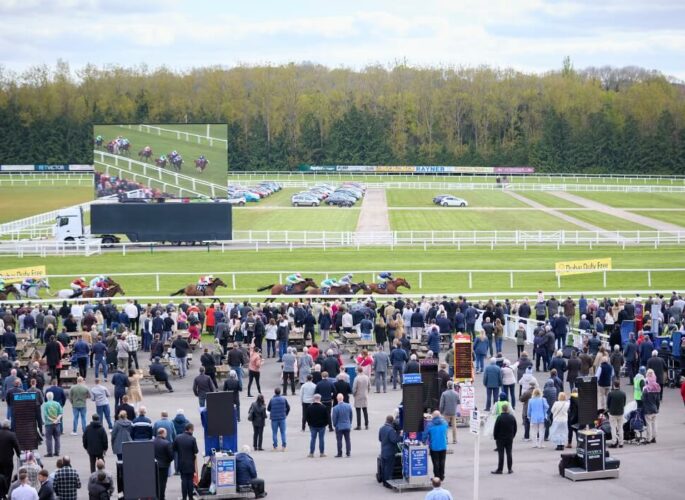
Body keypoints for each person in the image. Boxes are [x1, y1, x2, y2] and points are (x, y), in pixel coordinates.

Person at [173, 423, 199, 500]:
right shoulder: (192, 439)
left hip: (181, 462)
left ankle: (184, 497)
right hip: (190, 463)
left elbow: (174, 448)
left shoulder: (178, 438)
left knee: (183, 480)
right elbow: (196, 451)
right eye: (193, 430)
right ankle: (190, 497)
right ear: (190, 429)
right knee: (190, 480)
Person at [492, 403, 517, 475]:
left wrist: (495, 437)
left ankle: (500, 469)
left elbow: (496, 428)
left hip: (500, 438)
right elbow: (515, 428)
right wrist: (512, 436)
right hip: (509, 438)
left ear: (502, 409)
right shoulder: (512, 417)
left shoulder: (499, 417)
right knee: (509, 453)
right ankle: (510, 469)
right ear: (508, 409)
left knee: (501, 454)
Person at [378, 415, 402, 488]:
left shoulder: (381, 428)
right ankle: (388, 483)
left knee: (384, 467)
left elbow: (380, 439)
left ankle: (384, 482)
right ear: (392, 421)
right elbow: (394, 440)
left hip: (383, 451)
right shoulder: (391, 430)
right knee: (389, 468)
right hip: (390, 452)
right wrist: (400, 435)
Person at [425, 411, 448, 481]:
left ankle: (436, 477)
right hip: (443, 445)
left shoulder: (430, 425)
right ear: (440, 415)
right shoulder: (445, 423)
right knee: (442, 462)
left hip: (434, 447)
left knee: (436, 462)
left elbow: (425, 434)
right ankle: (442, 476)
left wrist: (423, 441)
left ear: (433, 416)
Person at [153, 428, 174, 500]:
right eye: (166, 433)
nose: (166, 434)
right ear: (163, 433)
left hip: (153, 466)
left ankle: (155, 496)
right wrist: (168, 461)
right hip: (164, 466)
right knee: (162, 483)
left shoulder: (151, 442)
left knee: (155, 482)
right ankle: (161, 497)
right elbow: (171, 456)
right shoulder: (166, 443)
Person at [41, 392, 63, 457]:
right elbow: (60, 413)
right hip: (57, 423)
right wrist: (56, 420)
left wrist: (52, 420)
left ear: (47, 397)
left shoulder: (45, 404)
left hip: (48, 424)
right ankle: (57, 452)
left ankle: (50, 453)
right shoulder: (57, 403)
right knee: (57, 438)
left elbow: (46, 415)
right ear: (53, 397)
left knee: (48, 439)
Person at [642, 369, 661, 444]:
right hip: (655, 408)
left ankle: (648, 438)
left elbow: (642, 398)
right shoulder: (657, 387)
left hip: (648, 409)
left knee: (648, 424)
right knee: (654, 423)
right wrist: (657, 408)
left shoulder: (646, 388)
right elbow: (658, 400)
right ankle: (654, 437)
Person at [606, 380, 627, 448]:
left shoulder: (610, 393)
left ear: (613, 385)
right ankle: (621, 443)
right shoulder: (623, 393)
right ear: (619, 385)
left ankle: (614, 442)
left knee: (613, 428)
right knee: (620, 428)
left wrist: (609, 409)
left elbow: (608, 404)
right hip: (620, 413)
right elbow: (624, 403)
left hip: (612, 413)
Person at [332, 393, 353, 457]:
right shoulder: (348, 406)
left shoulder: (335, 408)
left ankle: (339, 453)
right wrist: (349, 423)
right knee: (347, 440)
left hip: (339, 426)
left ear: (337, 399)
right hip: (347, 425)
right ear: (343, 398)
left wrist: (335, 425)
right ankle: (348, 452)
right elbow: (351, 415)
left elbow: (334, 418)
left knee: (339, 440)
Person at [0, 420, 20, 484]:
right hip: (7, 460)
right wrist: (19, 455)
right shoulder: (11, 435)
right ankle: (6, 490)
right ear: (9, 426)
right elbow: (16, 446)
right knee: (8, 476)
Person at [352, 366, 370, 430]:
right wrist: (367, 392)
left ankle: (359, 425)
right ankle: (366, 424)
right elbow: (369, 386)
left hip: (358, 395)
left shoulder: (356, 378)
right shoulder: (366, 377)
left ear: (358, 371)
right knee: (365, 410)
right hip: (364, 395)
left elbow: (354, 388)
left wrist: (354, 394)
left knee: (358, 411)